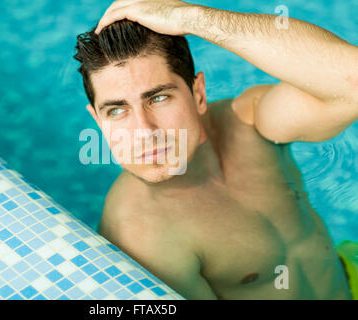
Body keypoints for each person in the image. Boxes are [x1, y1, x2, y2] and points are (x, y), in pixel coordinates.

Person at [73, 0, 358, 299]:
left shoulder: (248, 122)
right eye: (117, 111)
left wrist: (191, 17)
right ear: (98, 120)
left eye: (158, 98)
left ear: (198, 94)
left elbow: (352, 82)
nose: (145, 132)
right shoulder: (140, 233)